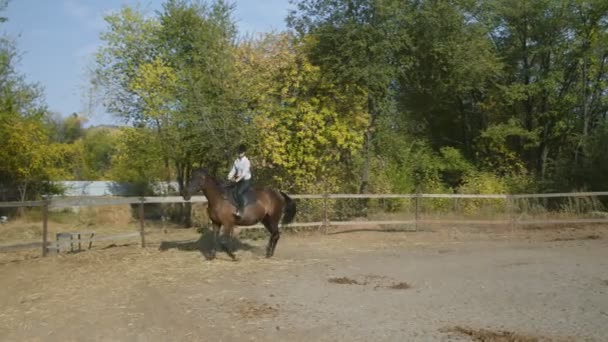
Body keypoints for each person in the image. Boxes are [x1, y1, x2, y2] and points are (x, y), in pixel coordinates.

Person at [227, 144, 252, 218]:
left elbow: (244, 173)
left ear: (244, 153)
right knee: (230, 191)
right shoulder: (236, 161)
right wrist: (229, 176)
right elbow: (233, 170)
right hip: (238, 180)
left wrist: (237, 180)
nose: (239, 154)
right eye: (238, 152)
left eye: (241, 152)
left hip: (245, 181)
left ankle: (241, 209)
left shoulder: (246, 161)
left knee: (239, 192)